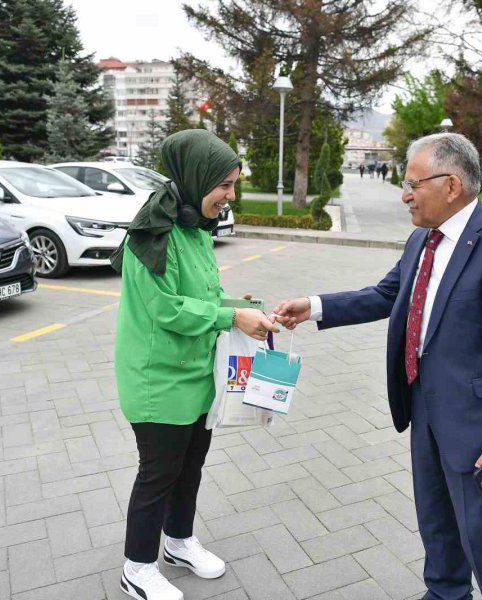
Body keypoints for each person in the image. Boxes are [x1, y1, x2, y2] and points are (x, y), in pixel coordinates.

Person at [274, 133, 482, 600]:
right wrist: (315, 306)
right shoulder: (422, 238)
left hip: (481, 425)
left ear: (452, 185)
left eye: (412, 183)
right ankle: (445, 592)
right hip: (425, 406)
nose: (404, 195)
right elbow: (386, 295)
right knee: (437, 521)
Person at [113, 129, 279, 600]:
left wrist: (242, 307)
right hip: (157, 380)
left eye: (233, 184)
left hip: (197, 375)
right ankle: (137, 567)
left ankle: (179, 542)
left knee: (191, 466)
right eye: (224, 185)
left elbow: (198, 297)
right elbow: (166, 309)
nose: (230, 196)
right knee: (158, 473)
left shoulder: (194, 227)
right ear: (196, 177)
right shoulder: (151, 236)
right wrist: (231, 315)